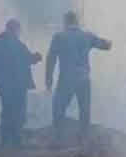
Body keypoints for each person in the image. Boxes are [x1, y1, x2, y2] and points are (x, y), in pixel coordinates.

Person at [45, 10, 110, 146]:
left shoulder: (59, 36)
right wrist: (108, 42)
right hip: (84, 78)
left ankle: (59, 139)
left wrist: (49, 79)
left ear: (65, 22)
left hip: (67, 78)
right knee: (84, 110)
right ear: (76, 21)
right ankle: (83, 139)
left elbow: (51, 59)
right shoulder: (86, 36)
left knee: (58, 108)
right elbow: (106, 46)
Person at [0, 18, 42, 147]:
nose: (18, 33)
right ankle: (12, 138)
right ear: (13, 30)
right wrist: (35, 58)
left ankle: (11, 138)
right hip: (12, 83)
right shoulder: (9, 43)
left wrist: (35, 57)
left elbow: (25, 59)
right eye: (17, 31)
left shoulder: (4, 42)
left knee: (12, 109)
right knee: (13, 110)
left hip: (14, 83)